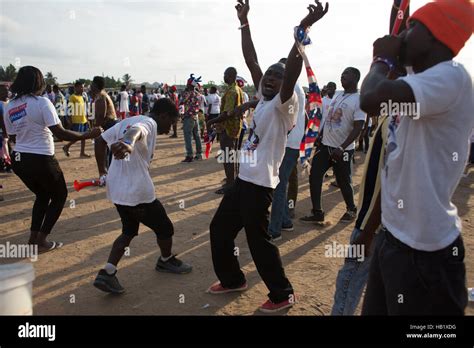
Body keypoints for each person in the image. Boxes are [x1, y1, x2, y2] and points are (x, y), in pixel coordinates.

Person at [207, 0, 329, 313]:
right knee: (220, 229)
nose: (271, 78)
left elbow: (291, 71)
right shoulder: (263, 99)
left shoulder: (283, 105)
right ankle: (233, 279)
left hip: (259, 184)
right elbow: (251, 59)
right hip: (244, 179)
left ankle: (283, 293)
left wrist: (303, 30)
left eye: (278, 76)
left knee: (259, 242)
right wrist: (244, 23)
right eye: (268, 76)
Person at [359, 0, 473, 315]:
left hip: (426, 256)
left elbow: (370, 99)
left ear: (437, 35)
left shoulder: (451, 78)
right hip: (394, 239)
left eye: (412, 27)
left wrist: (382, 58)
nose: (403, 34)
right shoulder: (417, 79)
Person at [93, 98, 192, 293]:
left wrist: (102, 172)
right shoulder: (149, 122)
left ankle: (107, 272)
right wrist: (128, 142)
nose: (170, 128)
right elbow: (137, 131)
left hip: (118, 191)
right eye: (171, 122)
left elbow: (99, 140)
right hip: (137, 192)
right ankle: (166, 260)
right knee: (165, 228)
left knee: (129, 231)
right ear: (163, 116)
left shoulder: (128, 120)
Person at [3, 66, 102, 253]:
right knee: (59, 195)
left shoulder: (10, 106)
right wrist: (89, 135)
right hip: (41, 158)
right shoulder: (41, 102)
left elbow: (14, 136)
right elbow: (61, 133)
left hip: (19, 160)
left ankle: (33, 239)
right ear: (38, 83)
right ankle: (41, 241)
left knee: (42, 195)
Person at [300, 67, 365, 224]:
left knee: (343, 181)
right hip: (325, 146)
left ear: (355, 78)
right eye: (342, 73)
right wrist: (320, 135)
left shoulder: (359, 99)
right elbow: (328, 117)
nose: (342, 75)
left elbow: (358, 127)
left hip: (341, 150)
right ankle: (317, 212)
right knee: (314, 176)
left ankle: (351, 209)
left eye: (346, 74)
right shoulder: (337, 95)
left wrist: (342, 147)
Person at [268, 57, 306, 241]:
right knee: (280, 183)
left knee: (279, 185)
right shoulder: (297, 88)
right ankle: (285, 221)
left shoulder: (291, 89)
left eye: (279, 73)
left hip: (288, 143)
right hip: (292, 142)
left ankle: (274, 230)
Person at [207, 67, 244, 194]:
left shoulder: (232, 91)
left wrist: (211, 121)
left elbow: (227, 113)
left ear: (230, 75)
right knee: (231, 156)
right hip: (233, 128)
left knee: (228, 157)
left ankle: (230, 184)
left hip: (228, 128)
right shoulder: (237, 89)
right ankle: (231, 181)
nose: (224, 77)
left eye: (225, 74)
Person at [91, 76, 119, 170]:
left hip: (109, 124)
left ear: (95, 85)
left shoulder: (101, 96)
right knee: (107, 150)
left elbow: (101, 116)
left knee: (103, 150)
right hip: (110, 124)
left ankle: (107, 172)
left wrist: (95, 129)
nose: (90, 86)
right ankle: (109, 171)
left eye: (92, 84)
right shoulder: (102, 94)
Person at [62, 82, 91, 158]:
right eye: (81, 87)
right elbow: (69, 109)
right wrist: (70, 120)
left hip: (83, 119)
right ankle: (67, 146)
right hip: (77, 120)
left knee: (84, 137)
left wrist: (87, 119)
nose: (83, 89)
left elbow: (83, 109)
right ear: (76, 88)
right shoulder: (72, 97)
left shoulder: (82, 97)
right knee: (77, 137)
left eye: (83, 87)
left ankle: (82, 152)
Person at [180, 75, 203, 163]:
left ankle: (189, 155)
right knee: (196, 135)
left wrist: (181, 115)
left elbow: (182, 101)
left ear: (189, 85)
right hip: (195, 116)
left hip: (189, 117)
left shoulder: (187, 93)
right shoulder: (197, 93)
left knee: (188, 136)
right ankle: (199, 154)